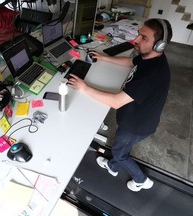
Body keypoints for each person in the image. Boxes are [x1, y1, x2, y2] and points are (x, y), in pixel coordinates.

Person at [68, 18, 173, 192]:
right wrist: (104, 58)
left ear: (159, 45)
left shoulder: (151, 74)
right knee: (121, 148)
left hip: (135, 126)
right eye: (139, 34)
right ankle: (113, 167)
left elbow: (116, 102)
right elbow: (132, 62)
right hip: (137, 118)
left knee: (119, 152)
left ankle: (142, 181)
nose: (136, 40)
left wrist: (84, 87)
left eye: (144, 38)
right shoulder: (150, 58)